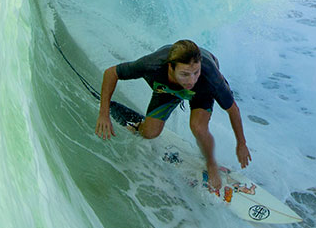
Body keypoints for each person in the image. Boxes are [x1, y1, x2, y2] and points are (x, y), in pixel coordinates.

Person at [95, 39, 251, 192]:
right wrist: (103, 114)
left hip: (202, 93)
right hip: (167, 89)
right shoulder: (153, 65)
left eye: (195, 72)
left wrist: (241, 143)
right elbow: (111, 73)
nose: (191, 80)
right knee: (149, 133)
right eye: (185, 74)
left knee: (198, 127)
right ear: (170, 67)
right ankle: (140, 125)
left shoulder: (209, 76)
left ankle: (211, 163)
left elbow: (233, 110)